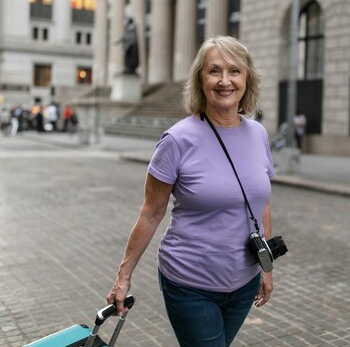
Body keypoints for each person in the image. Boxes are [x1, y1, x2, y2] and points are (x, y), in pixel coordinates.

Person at [107, 36, 276, 347]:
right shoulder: (177, 140)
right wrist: (123, 277)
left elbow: (261, 202)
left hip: (244, 281)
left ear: (247, 78)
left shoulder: (258, 134)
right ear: (201, 79)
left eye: (234, 71)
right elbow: (151, 211)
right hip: (190, 284)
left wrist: (265, 267)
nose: (225, 81)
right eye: (214, 71)